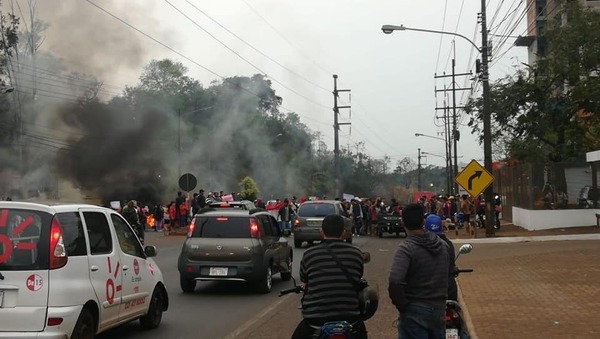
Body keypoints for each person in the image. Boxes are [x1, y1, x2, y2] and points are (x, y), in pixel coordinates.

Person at [292, 214, 368, 339]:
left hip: (315, 320)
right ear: (343, 233)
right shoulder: (356, 253)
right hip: (350, 319)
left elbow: (305, 279)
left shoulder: (309, 254)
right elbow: (358, 275)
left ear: (322, 232)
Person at [388, 203, 450, 339]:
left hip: (414, 310)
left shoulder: (406, 248)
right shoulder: (443, 246)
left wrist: (402, 305)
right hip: (439, 309)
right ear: (423, 221)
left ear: (402, 222)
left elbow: (395, 281)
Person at [424, 214, 457, 301]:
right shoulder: (448, 244)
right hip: (448, 290)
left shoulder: (420, 245)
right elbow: (451, 264)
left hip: (426, 292)